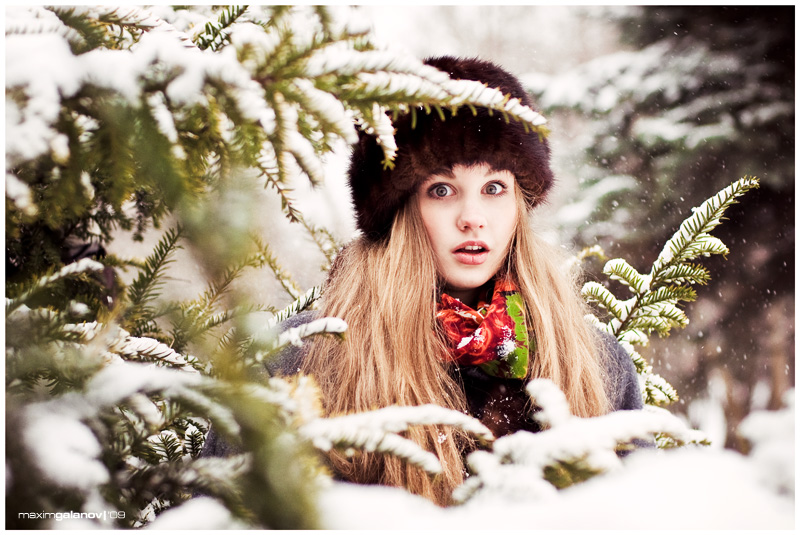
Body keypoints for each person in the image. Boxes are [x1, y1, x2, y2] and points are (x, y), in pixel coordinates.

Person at [202, 55, 643, 506]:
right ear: (398, 210)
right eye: (441, 190)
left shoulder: (598, 364)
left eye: (494, 188)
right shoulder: (300, 357)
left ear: (519, 205)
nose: (472, 219)